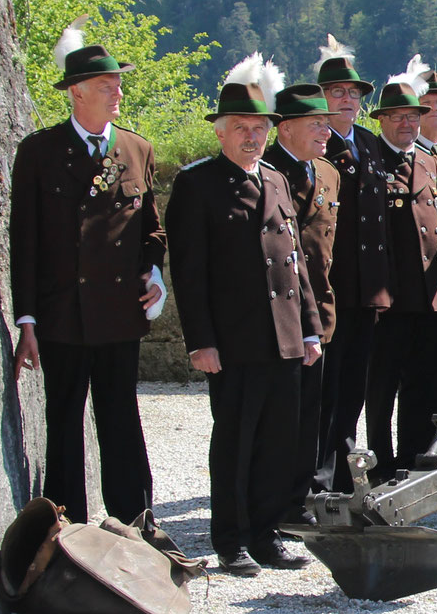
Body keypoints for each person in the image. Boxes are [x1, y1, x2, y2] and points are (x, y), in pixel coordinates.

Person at [166, 63, 323, 575]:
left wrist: (310, 329)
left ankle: (266, 534)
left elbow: (295, 260)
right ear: (220, 131)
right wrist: (201, 342)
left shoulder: (277, 179)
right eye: (240, 127)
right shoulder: (199, 185)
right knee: (235, 442)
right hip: (233, 341)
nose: (251, 137)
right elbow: (190, 274)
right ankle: (230, 539)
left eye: (259, 128)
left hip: (282, 337)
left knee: (279, 441)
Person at [8, 23, 166, 525]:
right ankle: (66, 524)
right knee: (64, 419)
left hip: (119, 311)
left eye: (118, 84)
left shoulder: (136, 150)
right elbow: (25, 240)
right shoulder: (39, 152)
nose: (117, 93)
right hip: (62, 312)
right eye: (106, 85)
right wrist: (27, 319)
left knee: (121, 415)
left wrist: (156, 276)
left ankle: (136, 519)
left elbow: (152, 232)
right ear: (76, 92)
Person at [364, 66, 437, 475]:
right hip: (391, 295)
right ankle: (381, 463)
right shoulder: (369, 160)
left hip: (429, 295)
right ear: (382, 120)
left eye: (413, 116)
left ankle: (416, 458)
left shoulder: (429, 160)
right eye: (398, 117)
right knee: (382, 388)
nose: (407, 123)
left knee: (425, 383)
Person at [312, 39, 393, 494]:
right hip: (332, 285)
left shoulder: (368, 143)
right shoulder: (317, 146)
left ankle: (344, 471)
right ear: (321, 97)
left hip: (366, 289)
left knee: (353, 389)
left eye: (354, 93)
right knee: (327, 386)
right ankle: (319, 474)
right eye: (338, 92)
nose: (348, 100)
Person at [264, 82, 340, 516]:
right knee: (283, 418)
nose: (325, 132)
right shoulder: (269, 172)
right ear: (285, 129)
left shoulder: (326, 172)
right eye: (315, 124)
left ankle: (301, 497)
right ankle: (276, 502)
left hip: (319, 309)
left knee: (314, 413)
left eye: (326, 124)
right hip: (281, 312)